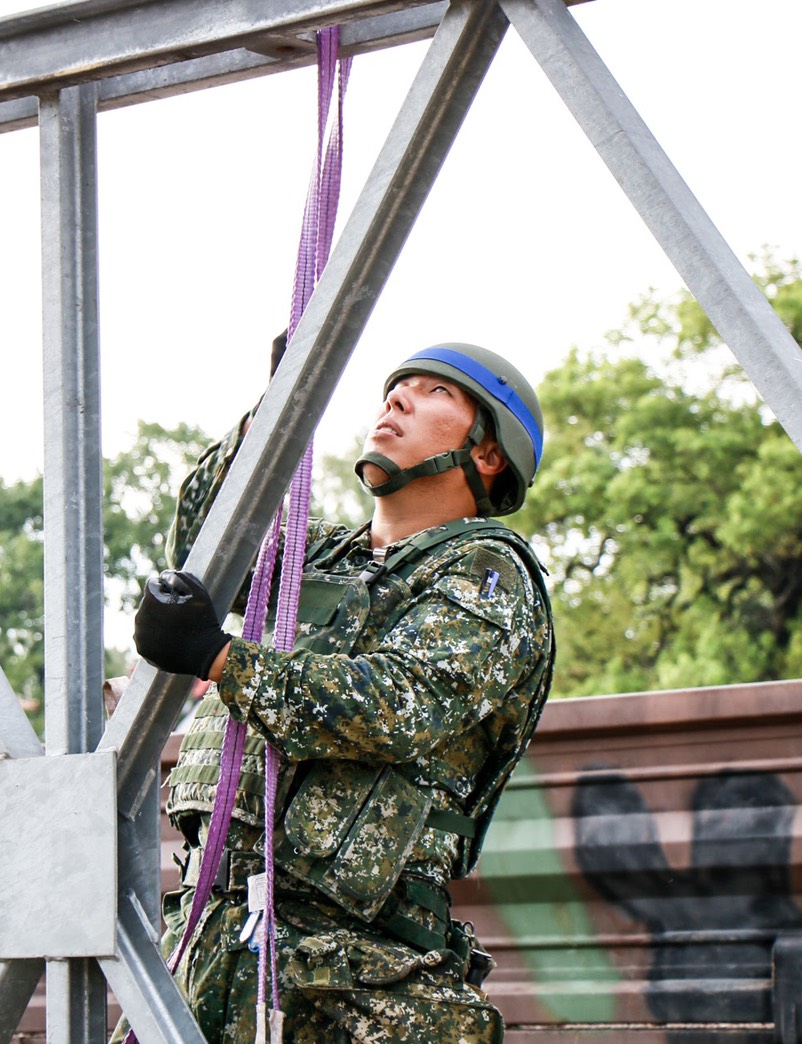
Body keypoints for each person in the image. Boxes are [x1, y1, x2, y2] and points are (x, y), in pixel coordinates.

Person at [132, 342, 555, 1043]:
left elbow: (393, 705)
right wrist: (278, 408)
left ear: (486, 454)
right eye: (397, 387)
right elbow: (210, 543)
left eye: (434, 393)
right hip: (216, 944)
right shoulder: (317, 558)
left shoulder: (488, 573)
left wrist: (219, 657)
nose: (396, 400)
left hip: (356, 975)